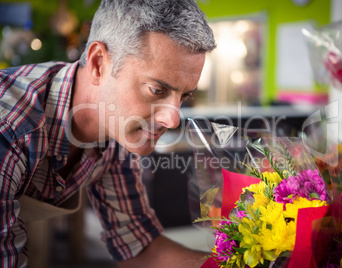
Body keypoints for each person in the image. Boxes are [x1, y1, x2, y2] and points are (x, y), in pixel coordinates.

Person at [0, 0, 216, 267]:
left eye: (183, 95)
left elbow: (138, 248)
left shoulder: (118, 132)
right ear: (99, 64)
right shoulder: (10, 127)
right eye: (157, 90)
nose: (172, 119)